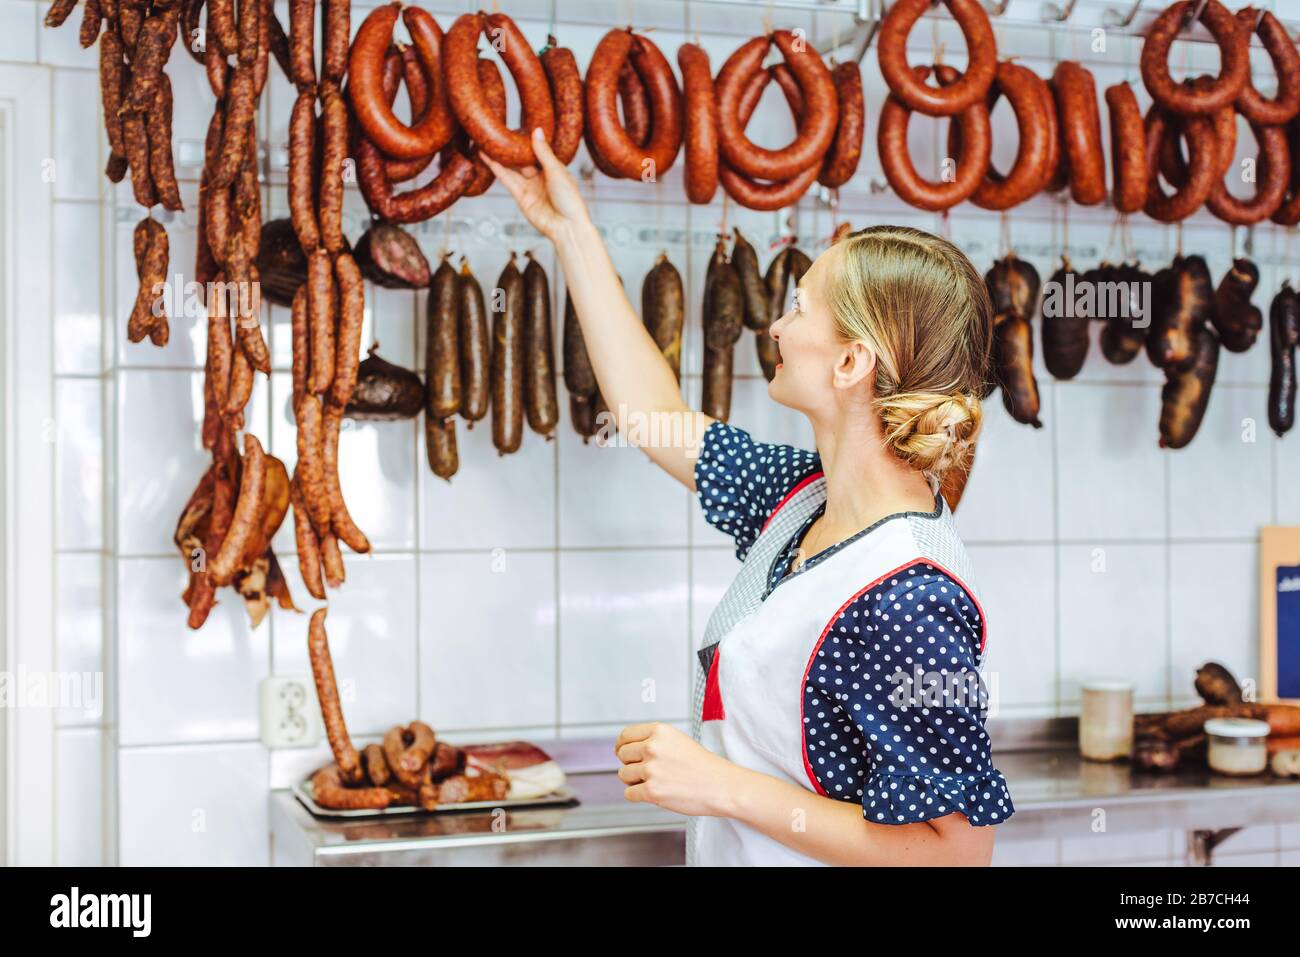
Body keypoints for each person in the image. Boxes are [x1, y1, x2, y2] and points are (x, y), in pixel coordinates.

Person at [483, 131, 1015, 866]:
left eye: (799, 308)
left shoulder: (910, 595)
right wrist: (568, 229)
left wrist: (719, 785)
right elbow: (652, 416)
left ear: (852, 361)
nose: (775, 324)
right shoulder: (803, 497)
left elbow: (955, 854)